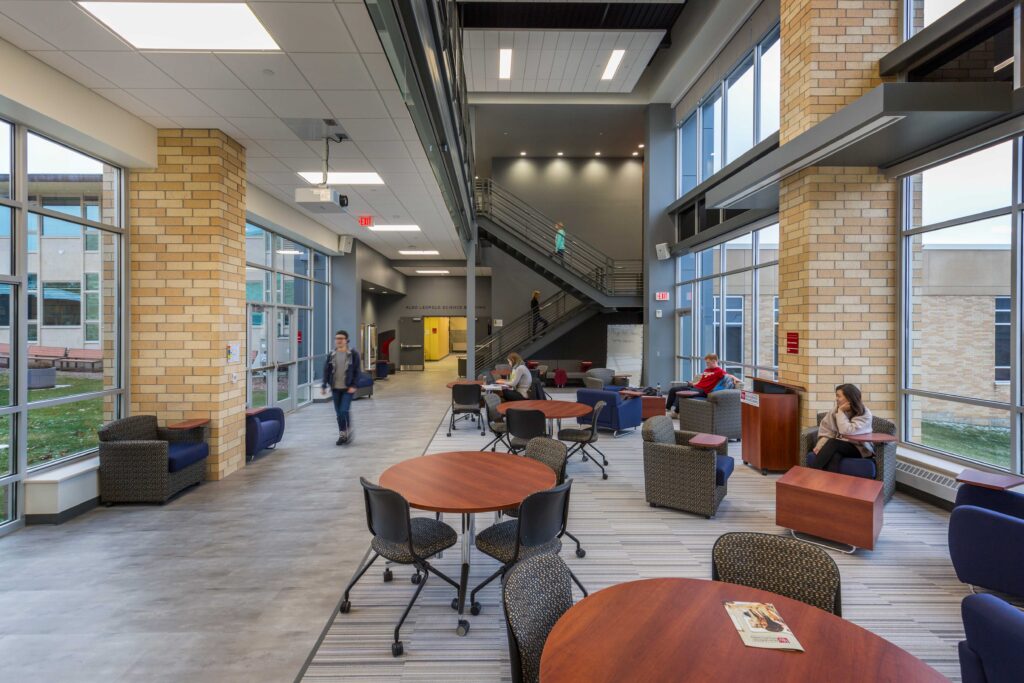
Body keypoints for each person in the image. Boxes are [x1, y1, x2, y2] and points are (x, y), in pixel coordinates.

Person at [808, 383, 873, 472]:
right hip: (840, 447)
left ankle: (812, 473)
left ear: (849, 398)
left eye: (839, 396)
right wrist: (822, 443)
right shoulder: (835, 411)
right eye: (836, 396)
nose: (836, 399)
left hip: (858, 448)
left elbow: (847, 431)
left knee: (834, 443)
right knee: (835, 455)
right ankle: (831, 483)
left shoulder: (865, 414)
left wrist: (841, 412)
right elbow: (826, 428)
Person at [321, 330, 362, 446]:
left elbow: (357, 371)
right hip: (335, 388)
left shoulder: (353, 355)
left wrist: (354, 385)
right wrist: (324, 385)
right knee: (339, 414)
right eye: (337, 338)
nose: (338, 340)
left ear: (346, 340)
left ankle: (348, 429)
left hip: (348, 388)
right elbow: (326, 371)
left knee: (344, 410)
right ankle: (342, 434)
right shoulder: (331, 355)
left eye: (341, 338)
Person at [666, 353, 740, 416]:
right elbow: (702, 381)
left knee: (683, 394)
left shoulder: (719, 371)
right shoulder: (706, 370)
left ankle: (676, 413)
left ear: (714, 361)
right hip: (696, 387)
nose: (706, 364)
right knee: (673, 390)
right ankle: (667, 409)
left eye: (708, 362)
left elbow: (728, 376)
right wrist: (692, 383)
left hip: (704, 391)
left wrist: (735, 378)